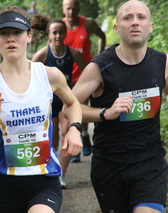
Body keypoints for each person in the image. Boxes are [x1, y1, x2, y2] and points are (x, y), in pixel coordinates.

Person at [0, 6, 83, 213]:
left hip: (44, 181)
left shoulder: (49, 75)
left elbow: (73, 103)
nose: (11, 39)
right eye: (4, 33)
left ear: (29, 36)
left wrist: (74, 128)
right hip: (6, 185)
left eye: (17, 32)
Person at [70, 0, 168, 212]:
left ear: (150, 26)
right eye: (127, 18)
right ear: (117, 27)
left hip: (150, 164)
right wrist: (106, 113)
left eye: (141, 18)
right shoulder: (100, 67)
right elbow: (70, 106)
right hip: (110, 165)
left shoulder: (162, 63)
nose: (135, 23)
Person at [31, 15, 86, 188]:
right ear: (48, 34)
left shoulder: (74, 53)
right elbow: (28, 76)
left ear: (65, 33)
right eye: (54, 33)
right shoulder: (43, 54)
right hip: (48, 103)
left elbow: (86, 74)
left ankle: (61, 174)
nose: (58, 36)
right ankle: (50, 172)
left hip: (65, 102)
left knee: (66, 133)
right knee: (52, 141)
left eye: (61, 32)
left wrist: (79, 91)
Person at [61, 0, 106, 162]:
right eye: (68, 9)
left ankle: (84, 136)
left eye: (74, 8)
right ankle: (77, 144)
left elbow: (102, 36)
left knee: (79, 109)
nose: (71, 12)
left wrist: (99, 58)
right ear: (63, 10)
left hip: (84, 74)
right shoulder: (59, 27)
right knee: (67, 113)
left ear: (78, 9)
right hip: (65, 76)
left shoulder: (88, 23)